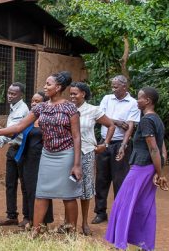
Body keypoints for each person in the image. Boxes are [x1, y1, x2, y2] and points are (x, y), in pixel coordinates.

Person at [0, 71, 82, 237]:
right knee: (41, 192)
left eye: (48, 84)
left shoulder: (70, 108)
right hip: (47, 154)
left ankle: (72, 231)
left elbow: (77, 137)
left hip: (66, 154)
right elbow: (19, 127)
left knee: (68, 194)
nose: (45, 87)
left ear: (58, 87)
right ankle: (36, 230)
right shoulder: (41, 107)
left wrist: (77, 164)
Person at [105, 87, 169, 250]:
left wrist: (160, 173)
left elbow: (154, 148)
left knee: (123, 203)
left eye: (139, 98)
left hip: (141, 168)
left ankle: (120, 244)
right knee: (145, 205)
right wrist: (159, 170)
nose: (136, 100)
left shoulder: (147, 121)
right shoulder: (157, 119)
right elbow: (162, 149)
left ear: (147, 101)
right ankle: (145, 245)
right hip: (150, 168)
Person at [69, 82, 116, 236]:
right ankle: (69, 224)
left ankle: (84, 223)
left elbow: (111, 125)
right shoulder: (67, 109)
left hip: (86, 152)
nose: (72, 96)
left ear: (83, 94)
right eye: (70, 94)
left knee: (85, 189)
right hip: (68, 153)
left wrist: (105, 144)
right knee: (67, 188)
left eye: (75, 93)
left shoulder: (93, 110)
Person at [92, 75, 140, 224]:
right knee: (101, 179)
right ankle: (100, 212)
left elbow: (130, 126)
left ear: (125, 87)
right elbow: (100, 117)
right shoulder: (107, 99)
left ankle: (119, 213)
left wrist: (124, 146)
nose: (113, 89)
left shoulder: (133, 103)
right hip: (104, 142)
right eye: (112, 86)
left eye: (116, 87)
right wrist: (118, 122)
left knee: (120, 180)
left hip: (121, 143)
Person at [0, 82, 30, 227]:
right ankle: (12, 215)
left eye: (13, 94)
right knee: (10, 184)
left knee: (24, 185)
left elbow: (12, 132)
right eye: (9, 92)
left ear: (21, 95)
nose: (9, 95)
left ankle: (27, 216)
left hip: (21, 150)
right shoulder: (13, 108)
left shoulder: (22, 109)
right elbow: (9, 132)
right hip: (12, 149)